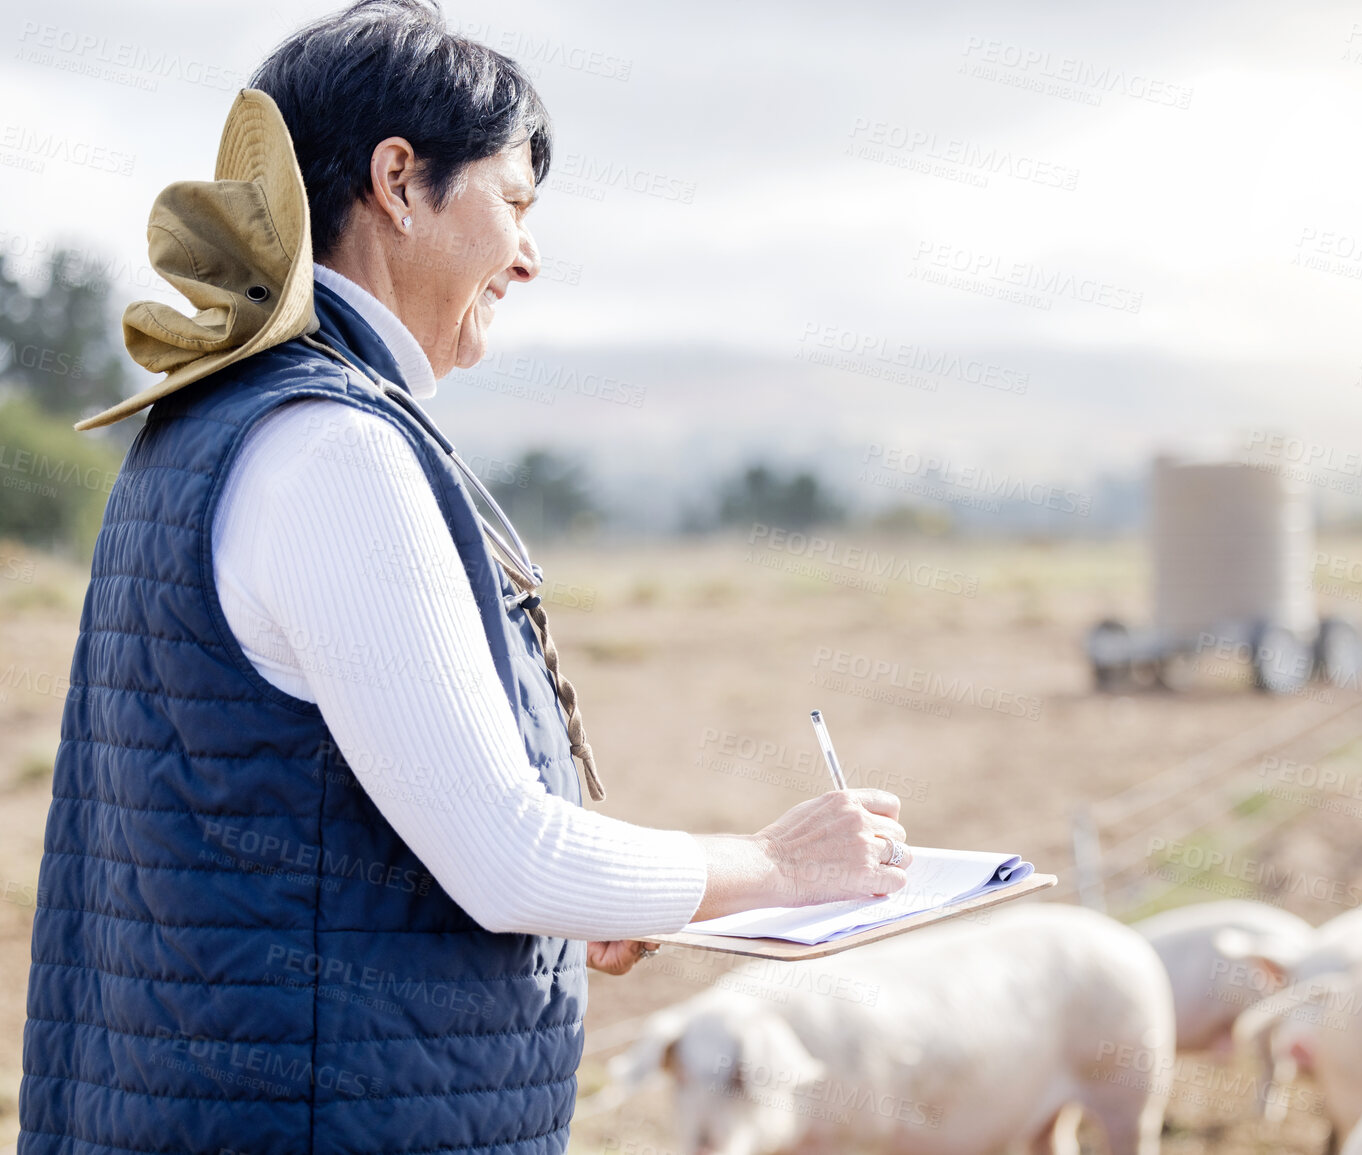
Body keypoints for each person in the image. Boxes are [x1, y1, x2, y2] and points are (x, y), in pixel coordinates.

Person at [17, 3, 907, 1151]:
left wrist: (601, 891)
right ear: (399, 181)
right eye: (515, 202)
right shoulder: (333, 450)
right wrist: (777, 864)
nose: (530, 255)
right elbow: (507, 856)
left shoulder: (211, 426)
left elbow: (340, 817)